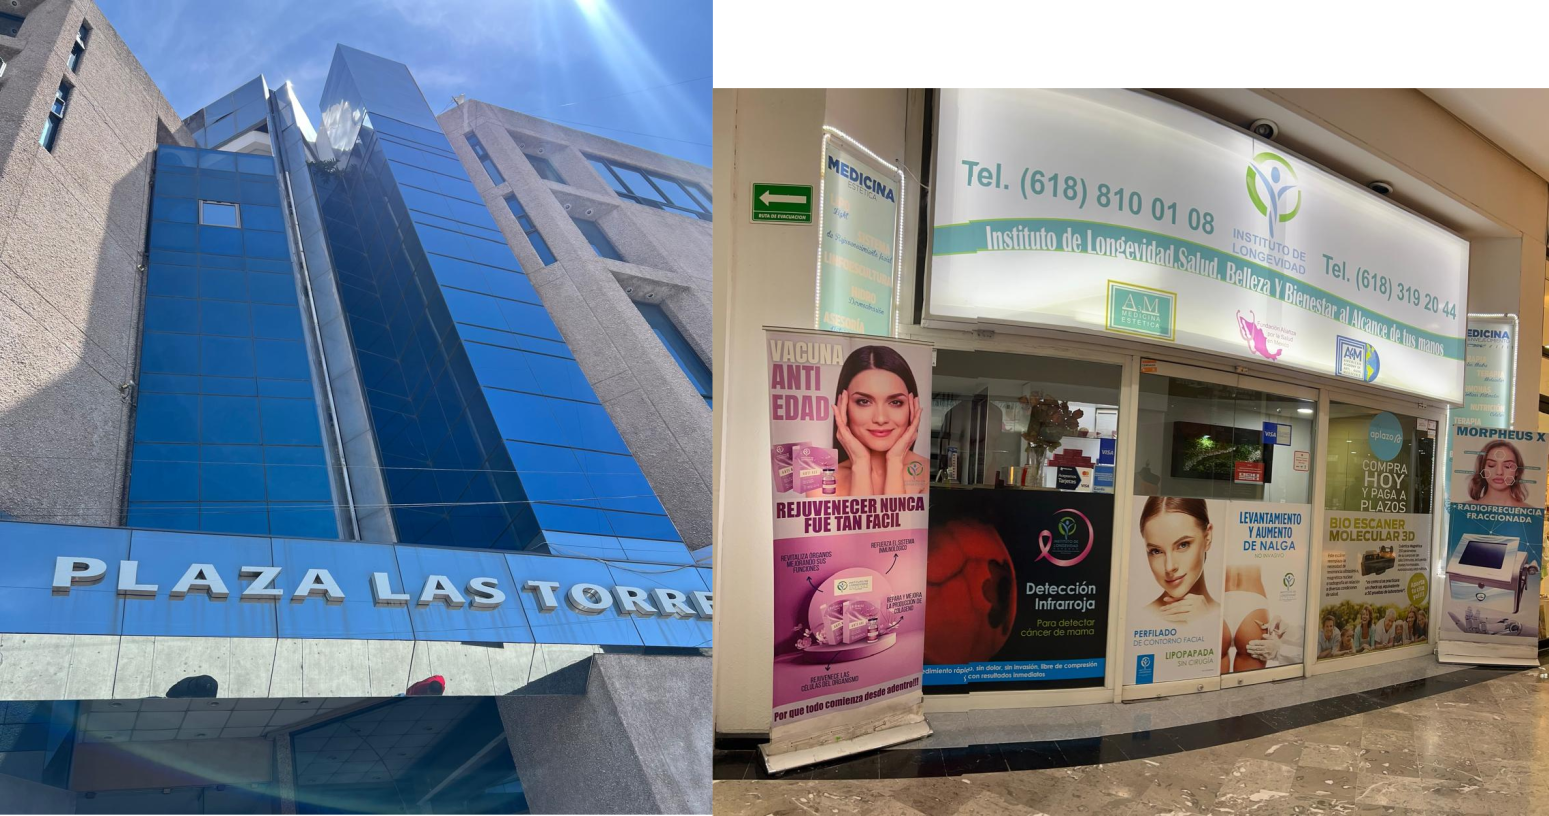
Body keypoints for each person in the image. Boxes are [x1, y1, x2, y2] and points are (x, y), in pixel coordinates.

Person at [813, 345, 927, 498]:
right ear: (844, 407)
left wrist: (895, 462)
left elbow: (896, 522)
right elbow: (858, 523)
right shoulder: (823, 480)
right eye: (864, 401)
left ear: (912, 407)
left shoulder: (924, 473)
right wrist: (860, 464)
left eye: (895, 402)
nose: (880, 419)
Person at [1138, 497, 1218, 627]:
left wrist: (1205, 622)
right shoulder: (1138, 620)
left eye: (1183, 545)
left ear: (1207, 538)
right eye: (1156, 551)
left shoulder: (1229, 617)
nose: (1169, 567)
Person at [1468, 440, 1530, 507]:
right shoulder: (1464, 510)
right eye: (1491, 465)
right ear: (1482, 469)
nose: (1499, 472)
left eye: (1507, 466)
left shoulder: (1530, 513)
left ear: (1517, 471)